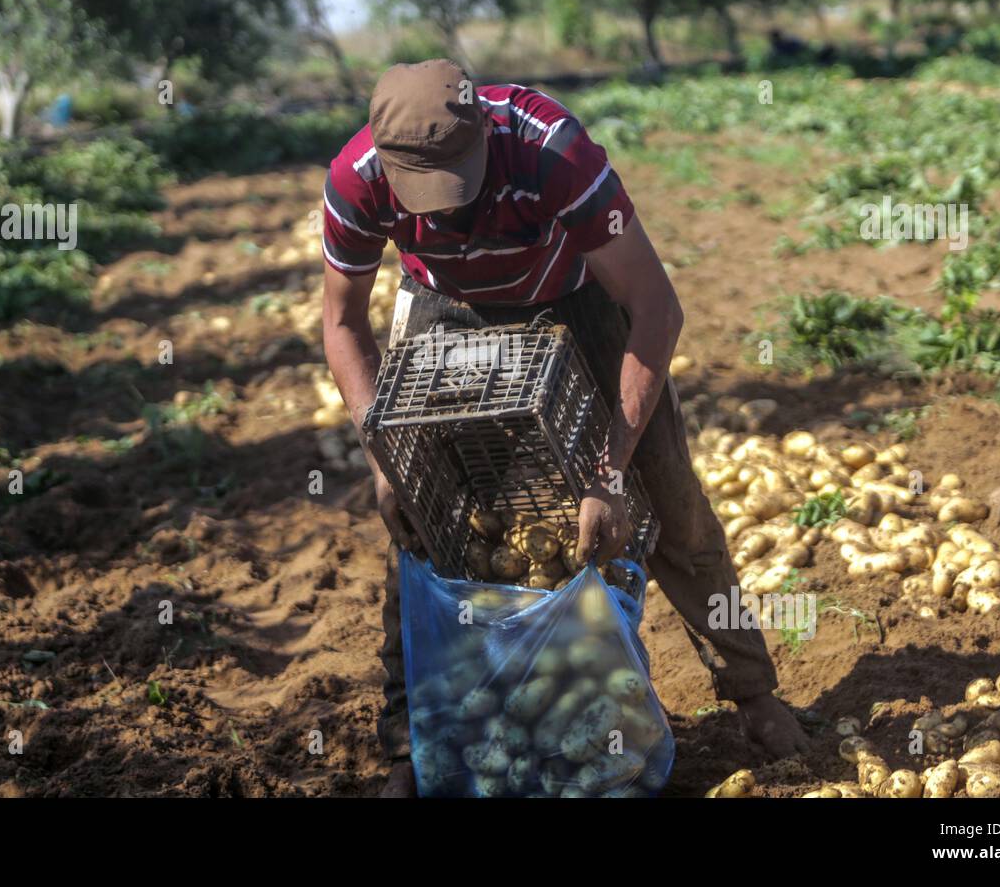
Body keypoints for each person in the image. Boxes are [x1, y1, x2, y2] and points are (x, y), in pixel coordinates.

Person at [320, 59, 808, 798]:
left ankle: (754, 693)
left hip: (572, 297)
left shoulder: (551, 152)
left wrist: (608, 471)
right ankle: (411, 749)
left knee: (673, 506)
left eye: (459, 181)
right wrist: (383, 453)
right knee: (422, 528)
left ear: (486, 129)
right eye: (427, 191)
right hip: (444, 306)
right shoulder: (356, 180)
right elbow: (342, 323)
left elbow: (656, 308)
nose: (447, 209)